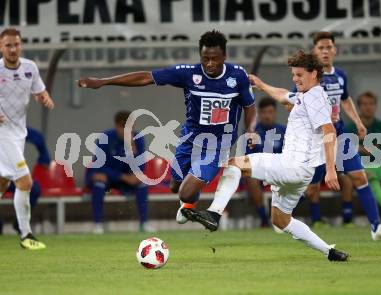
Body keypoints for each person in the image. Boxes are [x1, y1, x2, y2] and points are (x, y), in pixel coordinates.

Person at [181, 50, 348, 261]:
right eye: (293, 74)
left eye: (299, 75)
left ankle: (214, 213)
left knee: (235, 163)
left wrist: (331, 170)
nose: (295, 79)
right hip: (302, 173)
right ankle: (330, 252)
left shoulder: (314, 97)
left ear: (314, 73)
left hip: (292, 165)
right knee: (281, 220)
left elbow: (330, 132)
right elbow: (283, 96)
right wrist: (261, 85)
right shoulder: (307, 95)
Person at [78, 30, 257, 224]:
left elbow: (250, 107)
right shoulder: (189, 74)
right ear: (200, 56)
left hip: (218, 145)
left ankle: (194, 204)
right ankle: (188, 199)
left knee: (186, 192)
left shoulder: (237, 76)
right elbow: (146, 77)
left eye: (215, 59)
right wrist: (103, 82)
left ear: (225, 56)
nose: (210, 64)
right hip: (190, 139)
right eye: (205, 59)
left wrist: (250, 131)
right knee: (175, 186)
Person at [299, 32, 381, 239]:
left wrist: (358, 122)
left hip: (340, 135)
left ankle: (376, 227)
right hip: (318, 140)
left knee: (359, 176)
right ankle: (280, 209)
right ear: (314, 51)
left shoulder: (341, 75)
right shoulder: (307, 76)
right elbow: (296, 104)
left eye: (329, 47)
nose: (325, 51)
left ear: (335, 50)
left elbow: (344, 100)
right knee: (311, 188)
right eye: (321, 48)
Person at [0, 28, 54, 249]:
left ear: (21, 45)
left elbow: (39, 90)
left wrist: (44, 98)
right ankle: (26, 235)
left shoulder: (30, 67)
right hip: (2, 135)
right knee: (25, 182)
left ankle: (25, 233)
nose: (13, 49)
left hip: (18, 133)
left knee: (2, 183)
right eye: (8, 45)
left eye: (16, 44)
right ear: (1, 47)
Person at [85, 111, 153, 234]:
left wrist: (134, 152)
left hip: (125, 180)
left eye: (131, 127)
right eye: (123, 126)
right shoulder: (105, 138)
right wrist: (122, 177)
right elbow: (98, 168)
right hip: (107, 177)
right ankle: (97, 224)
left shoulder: (138, 139)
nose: (128, 130)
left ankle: (144, 223)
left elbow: (141, 169)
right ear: (116, 126)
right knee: (98, 182)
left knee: (142, 183)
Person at [345, 92, 381, 225]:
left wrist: (361, 148)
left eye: (371, 104)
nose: (368, 107)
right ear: (358, 107)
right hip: (361, 165)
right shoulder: (351, 127)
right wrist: (371, 149)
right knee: (370, 178)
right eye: (364, 104)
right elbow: (346, 152)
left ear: (376, 106)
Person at [0, 127, 51, 235]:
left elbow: (37, 137)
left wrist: (44, 156)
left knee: (33, 188)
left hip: (11, 174)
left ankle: (20, 225)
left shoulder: (14, 126)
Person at [245, 97, 286, 227]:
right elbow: (248, 158)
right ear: (259, 114)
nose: (267, 116)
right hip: (260, 171)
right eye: (264, 112)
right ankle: (264, 219)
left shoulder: (283, 131)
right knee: (249, 178)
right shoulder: (253, 132)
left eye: (270, 112)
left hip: (280, 170)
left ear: (275, 113)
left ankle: (284, 216)